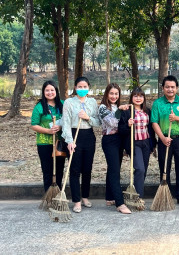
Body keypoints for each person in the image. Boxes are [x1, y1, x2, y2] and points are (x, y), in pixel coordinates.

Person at [62, 76, 100, 213]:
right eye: (79, 87)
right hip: (74, 136)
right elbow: (65, 123)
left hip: (88, 136)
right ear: (75, 88)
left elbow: (98, 122)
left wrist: (87, 117)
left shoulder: (92, 102)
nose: (82, 89)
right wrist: (69, 141)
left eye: (85, 87)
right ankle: (76, 201)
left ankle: (85, 197)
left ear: (88, 88)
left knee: (87, 169)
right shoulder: (69, 102)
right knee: (75, 170)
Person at [151, 76, 179, 206]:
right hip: (164, 139)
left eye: (172, 87)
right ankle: (165, 195)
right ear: (163, 88)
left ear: (177, 88)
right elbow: (154, 122)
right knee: (164, 168)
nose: (170, 89)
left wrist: (176, 118)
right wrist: (162, 138)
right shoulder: (157, 103)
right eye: (167, 87)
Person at [98, 83, 131, 214]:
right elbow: (112, 122)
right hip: (109, 140)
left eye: (116, 94)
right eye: (111, 93)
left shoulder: (118, 106)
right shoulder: (102, 107)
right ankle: (120, 203)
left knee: (114, 168)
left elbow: (124, 123)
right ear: (107, 94)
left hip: (120, 140)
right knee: (115, 170)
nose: (114, 96)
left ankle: (109, 197)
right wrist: (120, 112)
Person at [119, 87, 156, 201]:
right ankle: (138, 198)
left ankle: (135, 191)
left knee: (143, 169)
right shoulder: (126, 111)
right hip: (133, 144)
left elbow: (150, 129)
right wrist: (128, 125)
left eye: (140, 96)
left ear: (144, 98)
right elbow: (120, 129)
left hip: (145, 142)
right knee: (139, 169)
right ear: (131, 98)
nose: (138, 98)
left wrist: (152, 145)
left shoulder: (147, 111)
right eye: (135, 96)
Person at [31, 80, 65, 192]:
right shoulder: (39, 107)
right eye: (47, 90)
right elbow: (34, 125)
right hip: (44, 143)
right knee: (47, 171)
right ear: (43, 92)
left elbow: (68, 120)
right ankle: (48, 197)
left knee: (59, 170)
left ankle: (58, 196)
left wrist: (60, 127)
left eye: (52, 90)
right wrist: (48, 131)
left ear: (56, 91)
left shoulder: (63, 104)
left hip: (59, 142)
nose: (50, 92)